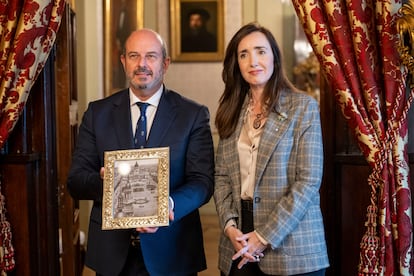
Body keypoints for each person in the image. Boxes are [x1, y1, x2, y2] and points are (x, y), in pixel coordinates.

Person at [67, 28, 215, 276]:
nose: (142, 64)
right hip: (112, 256)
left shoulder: (193, 115)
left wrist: (166, 207)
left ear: (165, 63)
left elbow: (203, 182)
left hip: (172, 252)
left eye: (151, 56)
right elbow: (76, 181)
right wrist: (107, 181)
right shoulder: (97, 114)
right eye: (134, 56)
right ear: (123, 61)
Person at [213, 22, 329, 276]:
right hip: (238, 243)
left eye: (261, 51)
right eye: (244, 54)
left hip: (292, 247)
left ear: (275, 57)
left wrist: (264, 235)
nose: (253, 61)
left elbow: (308, 182)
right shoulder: (231, 111)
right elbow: (221, 177)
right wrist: (230, 227)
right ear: (237, 63)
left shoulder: (303, 107)